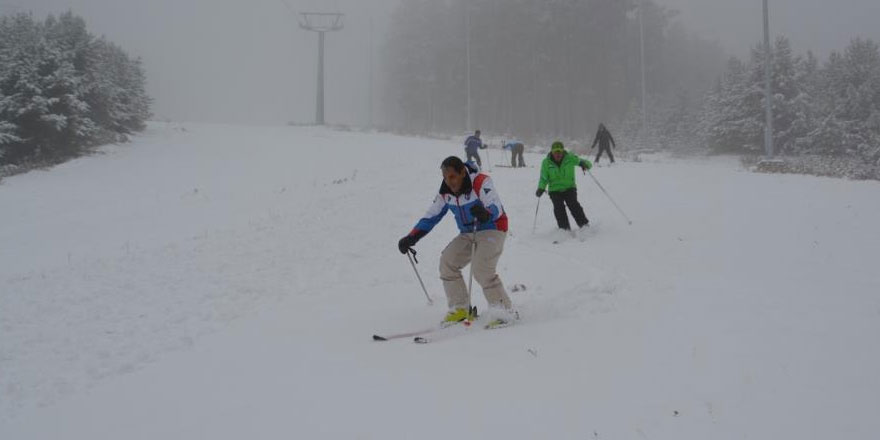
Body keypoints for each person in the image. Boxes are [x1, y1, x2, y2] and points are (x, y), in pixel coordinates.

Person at [398, 156, 517, 329]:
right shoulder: (445, 193)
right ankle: (460, 308)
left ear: (462, 172)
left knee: (481, 268)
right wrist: (411, 237)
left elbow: (496, 206)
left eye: (452, 176)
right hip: (468, 233)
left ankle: (504, 311)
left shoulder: (481, 181)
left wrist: (486, 212)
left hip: (493, 228)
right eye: (445, 177)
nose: (449, 181)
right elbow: (431, 216)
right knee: (447, 262)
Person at [536, 141, 592, 231]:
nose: (558, 154)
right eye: (555, 152)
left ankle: (584, 225)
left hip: (569, 187)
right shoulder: (546, 162)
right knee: (558, 207)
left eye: (560, 152)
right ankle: (564, 229)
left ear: (563, 152)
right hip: (554, 190)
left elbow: (588, 163)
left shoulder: (570, 158)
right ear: (552, 152)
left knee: (573, 204)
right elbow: (543, 178)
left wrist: (584, 164)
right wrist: (541, 188)